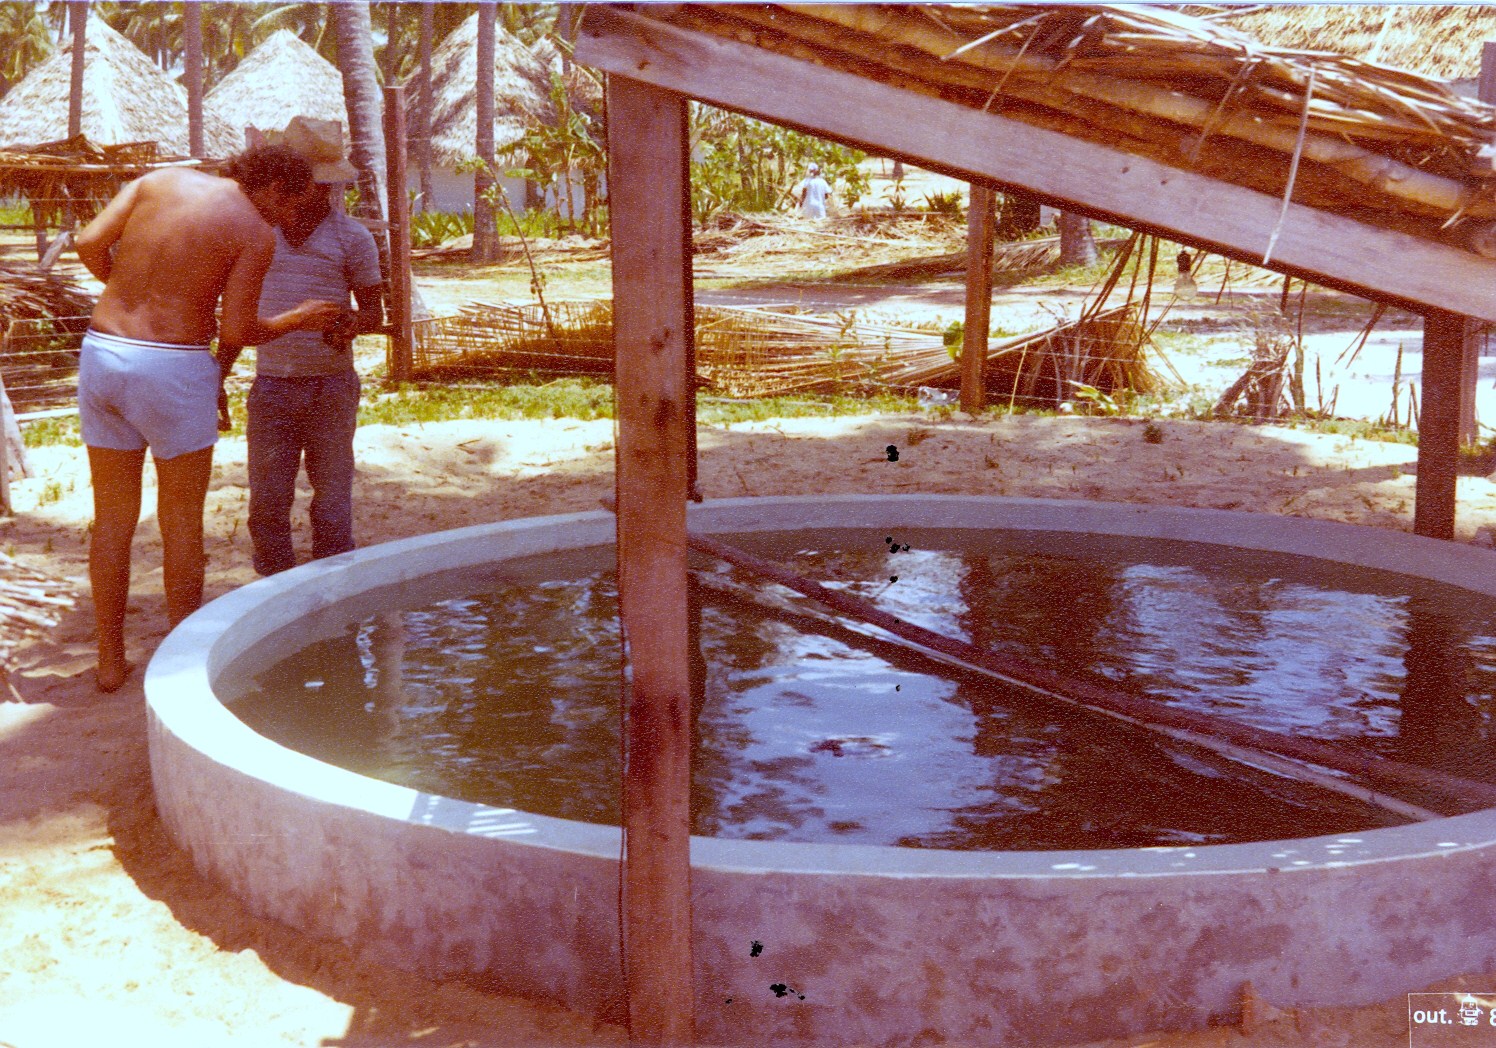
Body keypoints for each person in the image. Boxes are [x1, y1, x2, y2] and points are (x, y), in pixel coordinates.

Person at [73, 147, 343, 692]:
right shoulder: (255, 232)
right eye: (292, 205)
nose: (289, 219)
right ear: (274, 189)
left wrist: (129, 293)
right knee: (180, 521)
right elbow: (238, 331)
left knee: (112, 518)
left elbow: (87, 243)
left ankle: (109, 661)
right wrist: (299, 318)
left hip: (103, 352)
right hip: (173, 367)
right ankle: (181, 666)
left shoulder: (158, 181)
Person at [216, 117, 384, 578]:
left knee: (332, 499)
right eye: (315, 183)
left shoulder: (352, 237)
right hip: (271, 386)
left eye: (330, 184)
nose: (323, 193)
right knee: (267, 501)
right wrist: (218, 376)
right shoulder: (255, 235)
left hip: (332, 386)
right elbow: (237, 320)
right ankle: (276, 592)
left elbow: (374, 312)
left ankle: (334, 590)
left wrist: (350, 324)